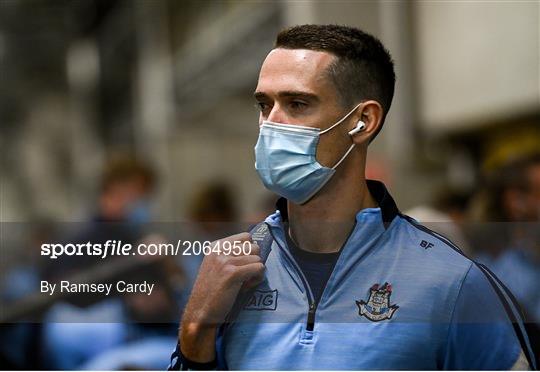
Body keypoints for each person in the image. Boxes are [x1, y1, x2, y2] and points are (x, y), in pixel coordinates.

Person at [169, 25, 535, 370]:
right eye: (264, 105)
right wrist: (194, 332)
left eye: (297, 104)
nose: (271, 123)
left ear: (363, 121)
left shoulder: (450, 282)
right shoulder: (232, 271)